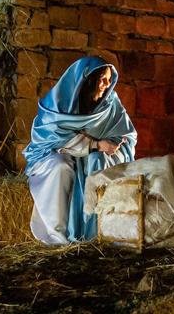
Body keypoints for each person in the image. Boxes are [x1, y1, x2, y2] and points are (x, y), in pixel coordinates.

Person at [23, 56, 137, 244]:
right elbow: (52, 138)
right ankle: (57, 237)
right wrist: (94, 145)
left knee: (97, 162)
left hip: (96, 157)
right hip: (55, 155)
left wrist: (110, 147)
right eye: (102, 79)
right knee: (60, 167)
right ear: (88, 80)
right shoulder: (58, 103)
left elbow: (127, 136)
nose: (107, 85)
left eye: (109, 80)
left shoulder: (110, 103)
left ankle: (99, 232)